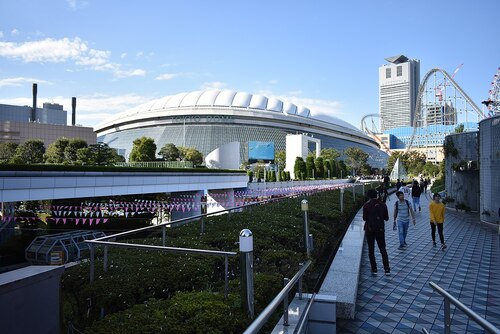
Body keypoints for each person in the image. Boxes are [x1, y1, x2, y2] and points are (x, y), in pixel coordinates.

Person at [363, 188, 391, 275]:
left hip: (369, 230)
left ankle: (374, 268)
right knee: (383, 249)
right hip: (380, 230)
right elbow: (386, 218)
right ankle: (387, 269)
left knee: (371, 250)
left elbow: (364, 218)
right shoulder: (383, 205)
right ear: (377, 195)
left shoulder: (366, 205)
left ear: (368, 196)